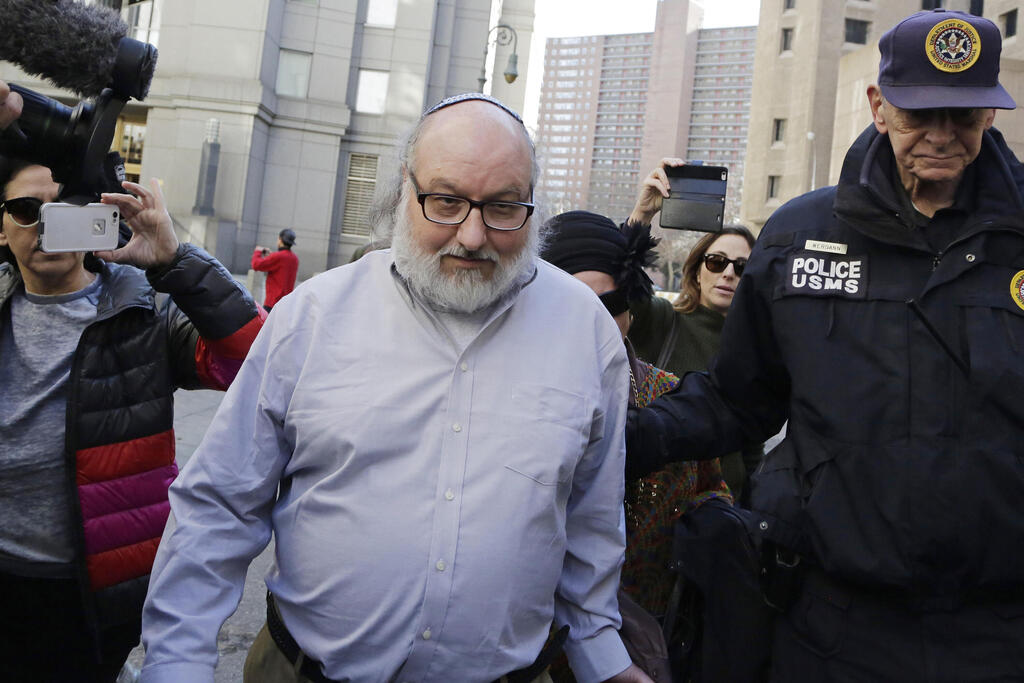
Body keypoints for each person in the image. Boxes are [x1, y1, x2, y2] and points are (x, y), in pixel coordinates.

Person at [140, 93, 652, 683]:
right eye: (446, 201)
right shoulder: (312, 317)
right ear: (401, 192)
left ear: (533, 208)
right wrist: (176, 663)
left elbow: (591, 516)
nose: (473, 234)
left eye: (504, 207)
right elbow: (219, 506)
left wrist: (601, 655)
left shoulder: (586, 331)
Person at [626, 9, 1024, 680]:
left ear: (990, 114)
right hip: (835, 627)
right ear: (877, 104)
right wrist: (617, 438)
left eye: (963, 115)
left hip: (1002, 629)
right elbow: (738, 400)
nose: (941, 136)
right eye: (918, 115)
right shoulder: (798, 236)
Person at [0, 153, 265, 679]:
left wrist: (175, 262)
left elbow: (254, 360)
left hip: (94, 593)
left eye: (64, 208)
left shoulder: (146, 309)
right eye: (27, 209)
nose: (46, 225)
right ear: (2, 228)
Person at [542, 210, 733, 682]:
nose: (597, 325)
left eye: (610, 307)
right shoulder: (507, 402)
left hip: (644, 643)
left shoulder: (670, 397)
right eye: (577, 307)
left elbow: (713, 491)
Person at [626, 171, 759, 501]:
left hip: (722, 518)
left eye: (741, 267)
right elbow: (620, 285)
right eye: (717, 262)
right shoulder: (662, 319)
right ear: (697, 271)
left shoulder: (755, 349)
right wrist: (643, 215)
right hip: (655, 506)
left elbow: (752, 451)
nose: (728, 273)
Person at [251, 228, 299, 310]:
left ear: (280, 240)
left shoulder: (278, 257)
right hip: (286, 304)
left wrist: (258, 251)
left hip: (272, 303)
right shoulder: (295, 259)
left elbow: (256, 265)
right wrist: (271, 256)